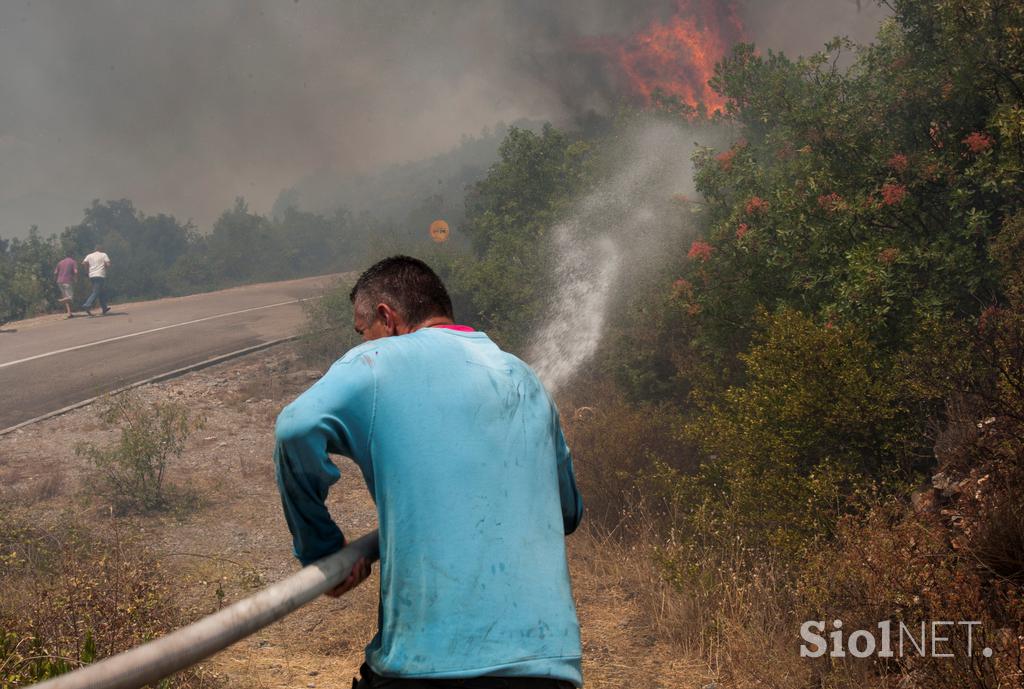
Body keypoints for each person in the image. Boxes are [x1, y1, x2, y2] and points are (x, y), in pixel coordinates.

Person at [274, 256, 583, 689]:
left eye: (363, 331)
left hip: (425, 666)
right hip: (549, 666)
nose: (365, 342)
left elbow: (296, 427)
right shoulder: (524, 376)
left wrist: (321, 548)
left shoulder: (378, 363)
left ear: (388, 318)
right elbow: (567, 513)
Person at [81, 246, 111, 316]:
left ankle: (104, 308)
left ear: (94, 250)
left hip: (92, 275)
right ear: (101, 250)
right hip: (100, 274)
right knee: (96, 291)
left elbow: (84, 263)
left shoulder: (89, 255)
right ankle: (87, 304)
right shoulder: (103, 254)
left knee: (101, 291)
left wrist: (87, 271)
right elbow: (108, 264)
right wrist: (105, 267)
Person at [53, 251, 78, 318]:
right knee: (70, 297)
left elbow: (55, 272)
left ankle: (69, 313)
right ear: (72, 255)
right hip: (67, 281)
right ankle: (60, 301)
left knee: (66, 298)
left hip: (59, 281)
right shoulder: (73, 262)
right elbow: (75, 271)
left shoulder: (60, 262)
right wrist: (75, 279)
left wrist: (55, 280)